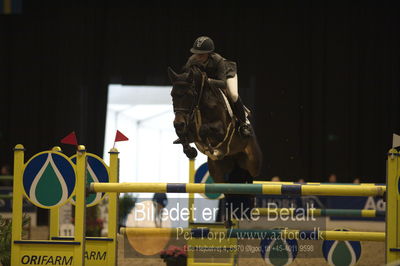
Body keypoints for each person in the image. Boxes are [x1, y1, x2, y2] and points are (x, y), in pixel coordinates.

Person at [174, 36, 252, 144]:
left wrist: (209, 81)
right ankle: (188, 133)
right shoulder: (192, 60)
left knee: (233, 94)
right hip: (207, 80)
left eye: (201, 54)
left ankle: (244, 124)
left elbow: (222, 83)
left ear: (209, 53)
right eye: (196, 53)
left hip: (226, 75)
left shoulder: (217, 60)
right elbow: (186, 77)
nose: (198, 56)